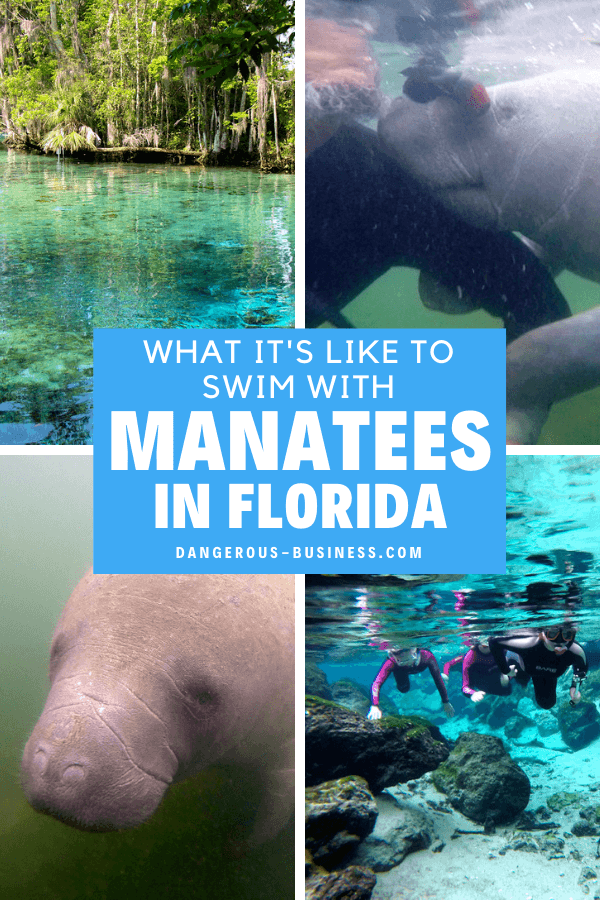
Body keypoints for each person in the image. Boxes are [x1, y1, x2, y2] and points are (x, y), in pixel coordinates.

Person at [488, 625, 587, 710]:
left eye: (567, 634)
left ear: (572, 635)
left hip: (538, 671)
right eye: (552, 633)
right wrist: (505, 670)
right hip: (522, 666)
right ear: (543, 633)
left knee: (547, 704)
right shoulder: (529, 644)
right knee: (522, 682)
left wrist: (575, 687)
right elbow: (493, 642)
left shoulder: (575, 651)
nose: (559, 641)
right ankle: (510, 656)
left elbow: (581, 669)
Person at [367, 647, 455, 719]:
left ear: (414, 653)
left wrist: (445, 701)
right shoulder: (392, 662)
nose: (404, 664)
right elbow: (377, 683)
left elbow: (438, 680)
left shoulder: (427, 656)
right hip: (400, 671)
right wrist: (374, 705)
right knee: (403, 689)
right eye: (399, 661)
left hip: (420, 666)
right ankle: (392, 673)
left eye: (405, 661)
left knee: (428, 677)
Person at [443, 639, 512, 702]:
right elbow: (465, 686)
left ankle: (504, 682)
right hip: (478, 678)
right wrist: (473, 693)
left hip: (495, 677)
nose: (484, 643)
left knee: (507, 691)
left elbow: (514, 667)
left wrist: (507, 678)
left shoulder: (502, 650)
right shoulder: (468, 657)